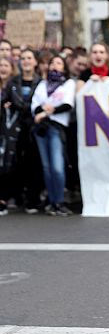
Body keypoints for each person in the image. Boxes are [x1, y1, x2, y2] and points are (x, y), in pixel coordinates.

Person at [31, 55, 75, 216]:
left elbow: (67, 104)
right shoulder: (42, 84)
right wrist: (44, 111)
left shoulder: (68, 84)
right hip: (41, 129)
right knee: (47, 167)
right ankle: (52, 201)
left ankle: (60, 200)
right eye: (52, 63)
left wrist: (47, 111)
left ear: (64, 67)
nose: (55, 65)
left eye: (58, 63)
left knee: (57, 167)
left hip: (57, 128)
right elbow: (35, 106)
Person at [4, 49, 44, 213]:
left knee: (35, 163)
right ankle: (17, 195)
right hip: (17, 127)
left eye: (29, 58)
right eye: (23, 58)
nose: (26, 61)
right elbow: (6, 100)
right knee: (16, 162)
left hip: (35, 127)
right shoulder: (13, 83)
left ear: (35, 62)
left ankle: (33, 199)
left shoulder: (41, 83)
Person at [0, 57, 20, 215]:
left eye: (6, 65)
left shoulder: (15, 86)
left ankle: (6, 197)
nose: (2, 68)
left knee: (8, 163)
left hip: (13, 130)